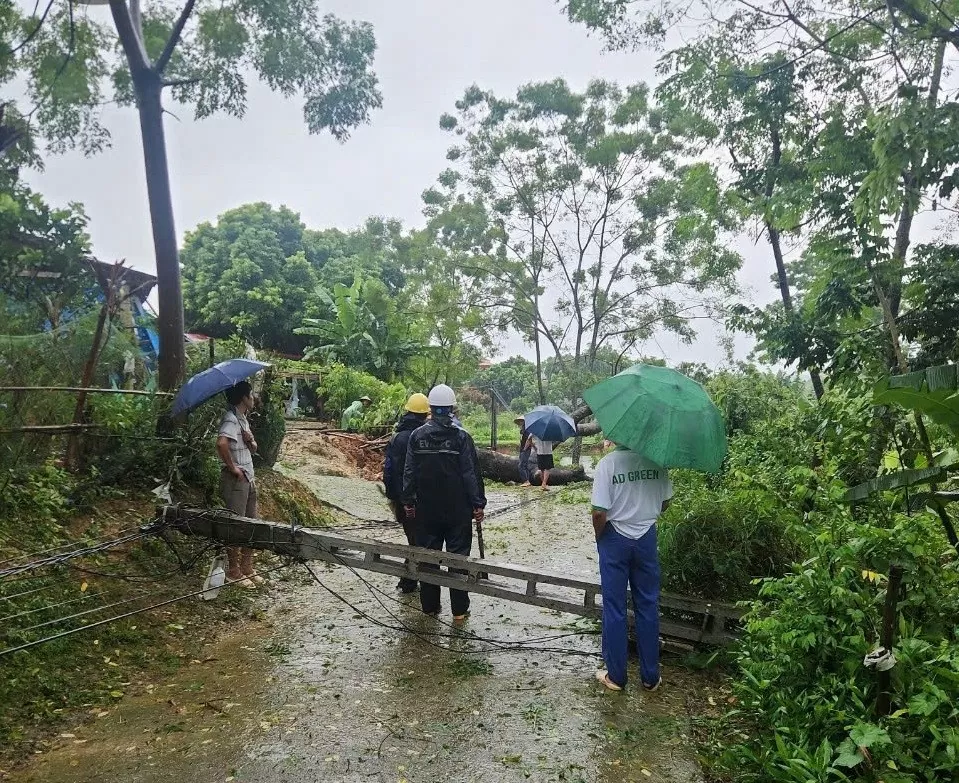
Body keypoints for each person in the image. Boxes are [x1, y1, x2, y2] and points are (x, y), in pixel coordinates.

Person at [590, 443, 673, 692]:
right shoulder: (657, 461)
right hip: (646, 536)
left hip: (614, 537)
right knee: (647, 604)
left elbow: (598, 513)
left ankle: (616, 676)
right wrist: (643, 512)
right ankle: (650, 677)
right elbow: (665, 502)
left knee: (614, 606)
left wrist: (600, 538)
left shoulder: (608, 464)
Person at [402, 384, 486, 621]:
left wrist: (408, 501)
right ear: (451, 408)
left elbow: (409, 472)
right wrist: (478, 504)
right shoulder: (462, 437)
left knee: (428, 558)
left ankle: (430, 609)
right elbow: (470, 474)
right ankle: (459, 612)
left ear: (431, 408)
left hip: (426, 511)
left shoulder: (416, 437)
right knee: (458, 559)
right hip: (458, 511)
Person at [216, 380, 262, 589]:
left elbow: (252, 449)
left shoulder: (242, 420)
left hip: (249, 478)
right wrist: (232, 468)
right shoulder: (231, 419)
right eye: (251, 395)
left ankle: (247, 568)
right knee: (236, 525)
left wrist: (250, 441)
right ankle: (233, 571)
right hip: (237, 481)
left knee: (251, 523)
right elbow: (221, 443)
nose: (253, 398)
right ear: (244, 397)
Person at [383, 392, 430, 593]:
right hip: (422, 500)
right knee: (419, 542)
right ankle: (412, 580)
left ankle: (409, 580)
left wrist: (395, 498)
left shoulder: (397, 438)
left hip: (401, 500)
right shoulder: (425, 436)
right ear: (425, 415)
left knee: (414, 539)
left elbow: (389, 471)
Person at [516, 416, 533, 487]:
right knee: (525, 465)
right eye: (519, 421)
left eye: (521, 421)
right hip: (523, 449)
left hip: (525, 450)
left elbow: (528, 440)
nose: (520, 422)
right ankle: (527, 481)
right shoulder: (522, 430)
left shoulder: (527, 430)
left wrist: (525, 449)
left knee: (521, 465)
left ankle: (526, 480)